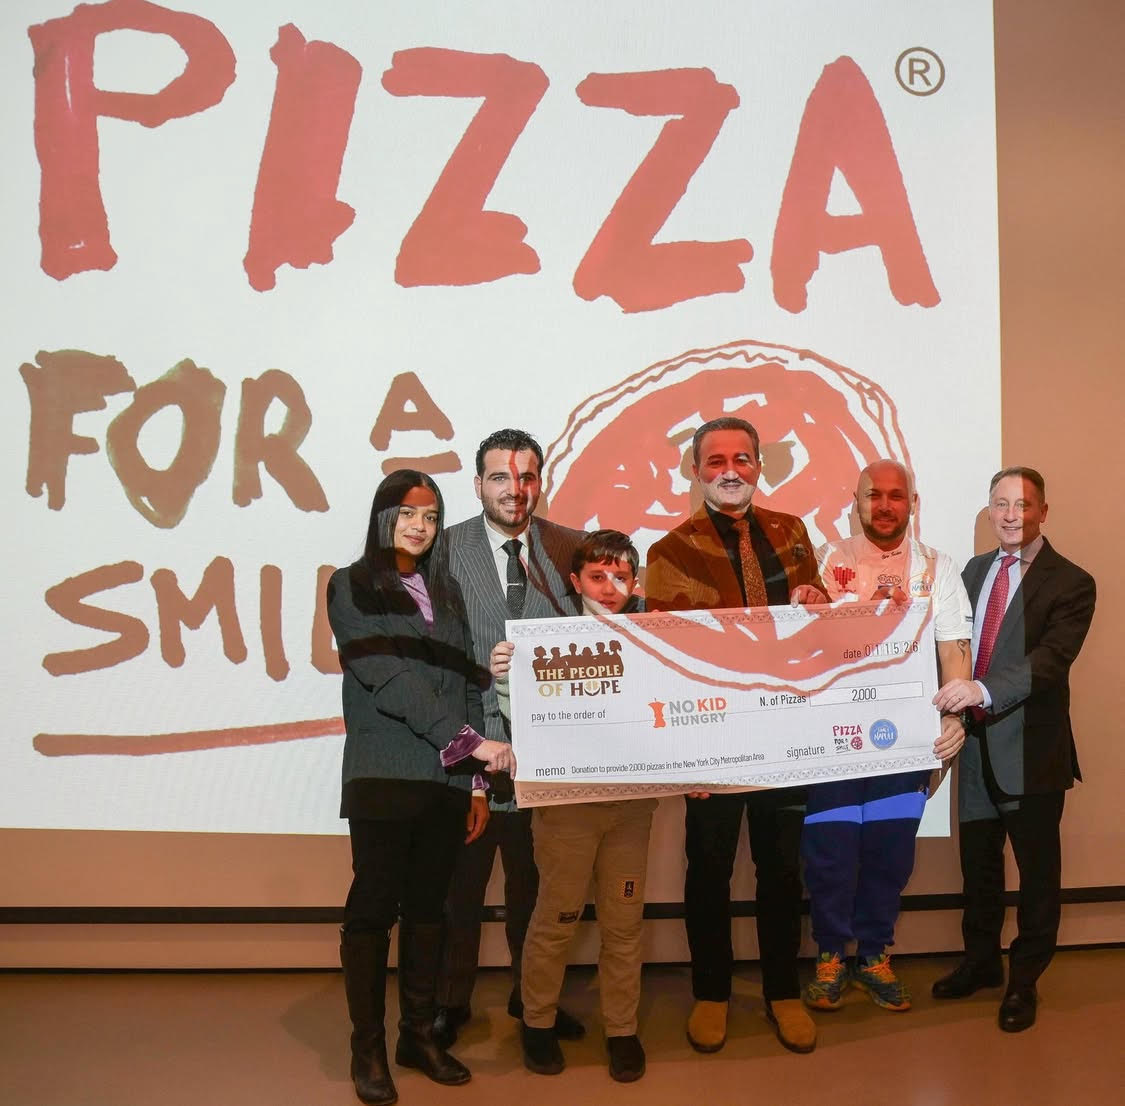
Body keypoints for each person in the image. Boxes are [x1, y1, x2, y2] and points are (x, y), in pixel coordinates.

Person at [327, 470, 517, 1105]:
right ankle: (368, 1046)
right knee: (372, 914)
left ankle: (417, 1035)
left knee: (430, 914)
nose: (419, 526)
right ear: (382, 516)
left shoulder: (447, 591)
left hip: (443, 780)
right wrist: (470, 745)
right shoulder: (350, 586)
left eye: (431, 516)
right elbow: (394, 681)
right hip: (384, 773)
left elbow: (465, 685)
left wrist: (471, 783)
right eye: (406, 513)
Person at [644, 416, 827, 1056]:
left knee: (781, 870)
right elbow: (668, 660)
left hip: (785, 732)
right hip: (712, 740)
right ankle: (712, 993)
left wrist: (816, 598)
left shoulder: (794, 532)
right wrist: (685, 758)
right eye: (716, 459)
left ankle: (783, 991)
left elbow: (822, 626)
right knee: (710, 870)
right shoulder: (667, 551)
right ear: (696, 471)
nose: (730, 469)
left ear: (758, 466)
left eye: (743, 458)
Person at [801, 461, 972, 1014]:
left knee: (889, 851)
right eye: (874, 495)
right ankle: (831, 953)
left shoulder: (937, 568)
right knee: (831, 849)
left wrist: (955, 718)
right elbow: (806, 646)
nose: (884, 505)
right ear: (856, 502)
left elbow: (953, 650)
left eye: (896, 496)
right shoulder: (831, 561)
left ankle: (873, 953)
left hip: (905, 740)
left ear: (913, 502)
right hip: (833, 739)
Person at [433, 430, 586, 1047]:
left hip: (547, 761)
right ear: (478, 486)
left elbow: (604, 630)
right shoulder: (443, 551)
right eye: (500, 478)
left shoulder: (568, 548)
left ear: (539, 483)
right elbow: (433, 656)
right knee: (457, 893)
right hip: (467, 753)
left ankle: (534, 1003)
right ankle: (449, 1004)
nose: (514, 490)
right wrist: (480, 668)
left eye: (525, 478)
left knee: (537, 891)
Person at [932, 467, 1096, 1032]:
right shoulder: (973, 571)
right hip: (973, 750)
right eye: (1000, 504)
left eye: (1023, 505)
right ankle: (980, 964)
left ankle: (1024, 982)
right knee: (977, 871)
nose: (1010, 515)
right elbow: (954, 644)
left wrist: (982, 689)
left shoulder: (1072, 582)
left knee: (1037, 877)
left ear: (1043, 511)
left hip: (1031, 753)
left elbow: (1049, 662)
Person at [491, 530, 654, 1082]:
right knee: (557, 918)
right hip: (565, 805)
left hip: (631, 804)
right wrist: (506, 677)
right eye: (597, 576)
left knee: (624, 923)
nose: (610, 588)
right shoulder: (546, 640)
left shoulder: (660, 642)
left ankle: (622, 1030)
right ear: (574, 580)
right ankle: (536, 1022)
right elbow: (521, 717)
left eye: (622, 577)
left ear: (636, 581)